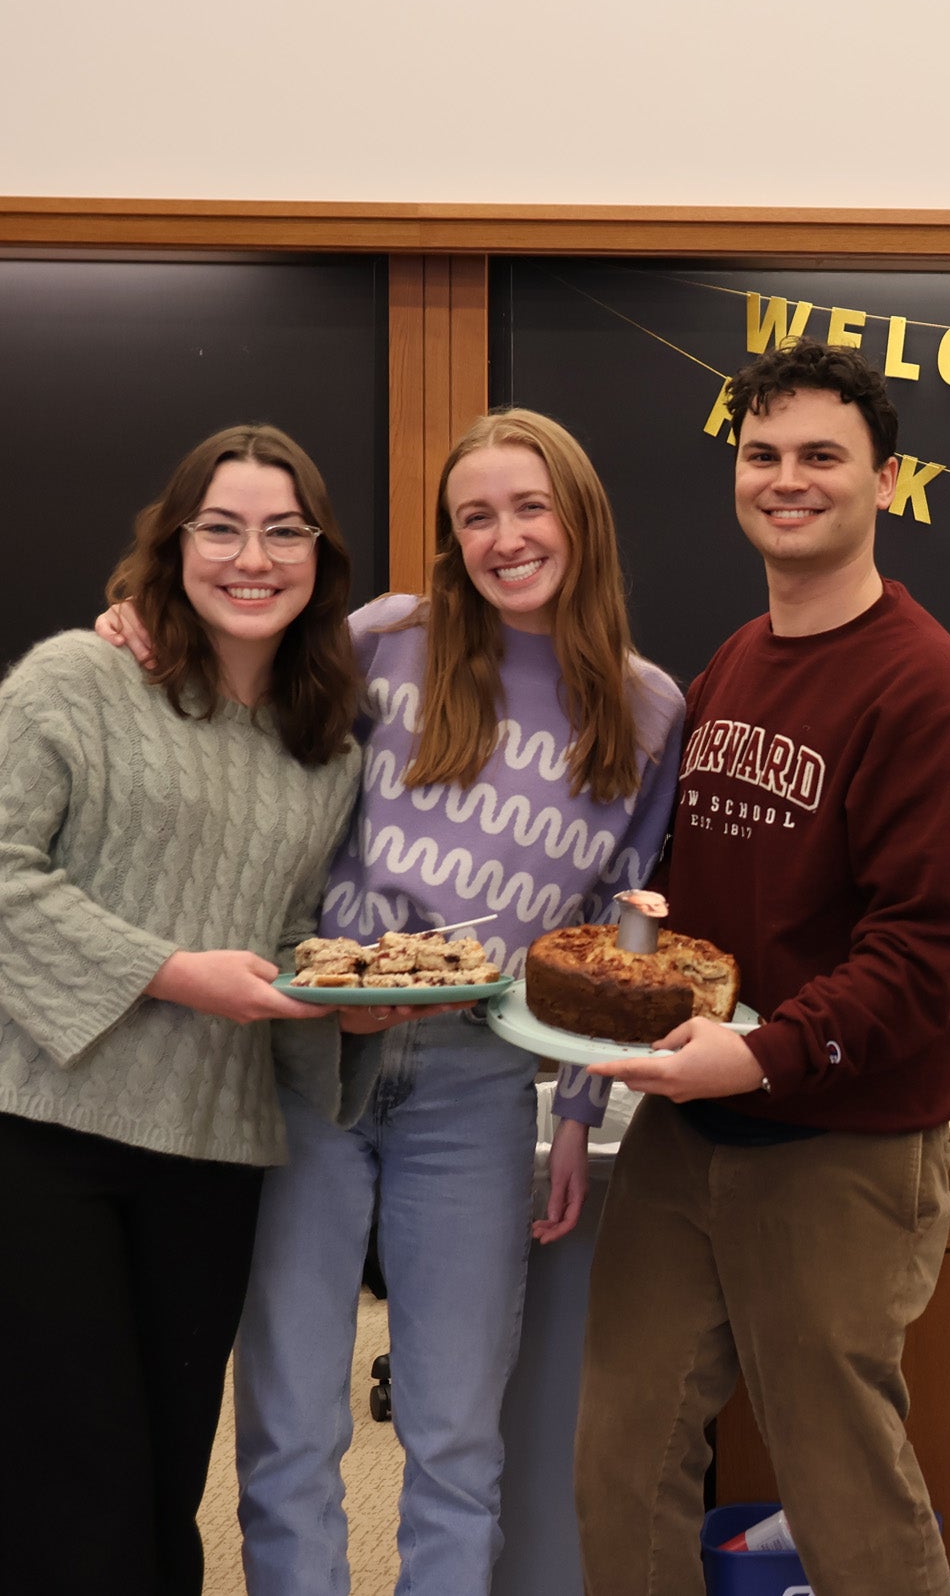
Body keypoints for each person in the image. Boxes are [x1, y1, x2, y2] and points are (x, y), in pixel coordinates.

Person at [92, 409, 685, 1596]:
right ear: (449, 536)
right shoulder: (384, 640)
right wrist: (147, 627)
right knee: (291, 1419)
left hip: (474, 1080)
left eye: (529, 507)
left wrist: (575, 1114)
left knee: (458, 1431)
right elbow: (239, 724)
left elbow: (618, 933)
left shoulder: (648, 704)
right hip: (310, 1058)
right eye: (475, 515)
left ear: (581, 516)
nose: (505, 536)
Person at [576, 338, 950, 1596]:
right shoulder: (736, 660)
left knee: (845, 1489)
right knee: (622, 1458)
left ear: (887, 479)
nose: (786, 478)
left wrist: (760, 1053)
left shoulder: (930, 693)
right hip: (688, 1134)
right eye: (762, 454)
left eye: (821, 454)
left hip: (841, 1146)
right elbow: (713, 892)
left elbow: (921, 955)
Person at [0, 425, 365, 1595]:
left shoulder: (326, 751)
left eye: (282, 530)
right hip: (41, 1132)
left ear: (318, 554)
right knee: (72, 1479)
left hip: (210, 1151)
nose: (251, 557)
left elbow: (288, 932)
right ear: (175, 542)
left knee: (163, 1482)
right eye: (221, 527)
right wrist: (172, 969)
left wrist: (347, 994)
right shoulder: (79, 676)